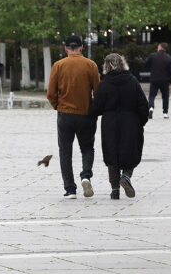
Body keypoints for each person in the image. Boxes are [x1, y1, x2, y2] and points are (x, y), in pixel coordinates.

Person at [46, 35, 100, 199]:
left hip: (65, 114)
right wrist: (93, 109)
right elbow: (98, 92)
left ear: (66, 48)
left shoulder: (58, 65)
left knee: (65, 151)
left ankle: (70, 189)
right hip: (85, 114)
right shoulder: (91, 65)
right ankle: (85, 175)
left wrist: (58, 106)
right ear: (81, 47)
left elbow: (51, 93)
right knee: (87, 148)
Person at [89, 53, 149, 199]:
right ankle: (126, 176)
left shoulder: (104, 83)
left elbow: (95, 108)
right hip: (131, 122)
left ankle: (115, 190)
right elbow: (143, 104)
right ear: (123, 64)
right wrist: (141, 121)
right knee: (131, 151)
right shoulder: (132, 81)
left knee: (112, 155)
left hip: (110, 124)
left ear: (106, 66)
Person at [144, 42, 171, 119]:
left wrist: (151, 67)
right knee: (165, 96)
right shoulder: (168, 57)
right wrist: (170, 80)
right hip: (165, 80)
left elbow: (145, 64)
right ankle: (165, 113)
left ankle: (151, 108)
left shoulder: (152, 56)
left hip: (154, 79)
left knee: (152, 96)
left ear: (160, 47)